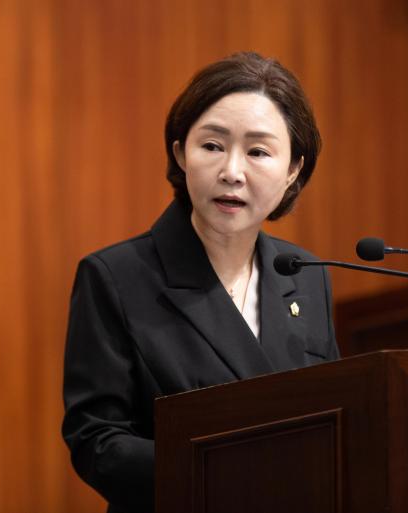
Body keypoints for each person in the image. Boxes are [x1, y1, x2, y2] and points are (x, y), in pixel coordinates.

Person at [62, 51, 340, 513]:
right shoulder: (115, 277)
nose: (232, 171)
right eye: (212, 146)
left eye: (258, 152)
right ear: (180, 154)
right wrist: (222, 469)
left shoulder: (305, 274)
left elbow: (333, 413)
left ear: (293, 169)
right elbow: (97, 442)